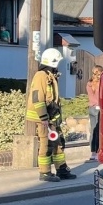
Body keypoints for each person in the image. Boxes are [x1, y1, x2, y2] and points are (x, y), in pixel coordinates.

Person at [26, 48, 76, 183]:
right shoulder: (41, 76)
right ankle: (45, 172)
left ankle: (61, 169)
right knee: (46, 144)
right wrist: (43, 117)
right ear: (52, 61)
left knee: (58, 143)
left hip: (51, 117)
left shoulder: (50, 75)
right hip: (44, 118)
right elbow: (37, 97)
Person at [86, 65, 103, 162]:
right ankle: (98, 152)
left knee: (93, 131)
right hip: (99, 108)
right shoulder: (100, 84)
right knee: (98, 131)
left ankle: (93, 153)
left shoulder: (89, 83)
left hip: (91, 108)